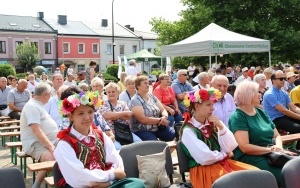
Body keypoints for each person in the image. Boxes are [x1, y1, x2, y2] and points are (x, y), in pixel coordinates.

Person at [54, 87, 145, 188]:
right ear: (71, 117)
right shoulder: (64, 144)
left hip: (107, 183)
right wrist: (112, 175)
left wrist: (108, 183)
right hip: (82, 186)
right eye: (80, 113)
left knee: (137, 183)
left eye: (90, 112)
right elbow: (78, 177)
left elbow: (116, 162)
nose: (87, 117)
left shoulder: (100, 135)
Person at [180, 88, 258, 188]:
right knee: (232, 184)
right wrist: (224, 154)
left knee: (255, 174)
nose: (212, 109)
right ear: (196, 106)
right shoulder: (188, 130)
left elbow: (230, 146)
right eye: (208, 105)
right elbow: (204, 158)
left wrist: (221, 127)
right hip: (203, 170)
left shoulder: (214, 122)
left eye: (213, 105)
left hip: (221, 163)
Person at [229, 81, 294, 186]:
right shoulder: (237, 117)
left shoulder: (261, 112)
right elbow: (245, 147)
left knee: (295, 167)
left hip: (272, 152)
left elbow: (277, 136)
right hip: (252, 157)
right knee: (287, 176)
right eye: (257, 92)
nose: (260, 94)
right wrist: (271, 150)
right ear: (248, 95)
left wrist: (279, 147)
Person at [20, 83, 57, 188]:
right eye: (50, 95)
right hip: (34, 143)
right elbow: (36, 130)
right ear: (45, 95)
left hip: (48, 141)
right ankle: (36, 185)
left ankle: (65, 181)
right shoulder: (32, 106)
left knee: (68, 150)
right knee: (51, 157)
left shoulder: (38, 104)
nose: (50, 97)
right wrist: (51, 147)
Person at [130, 75, 175, 141]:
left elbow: (163, 110)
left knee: (175, 134)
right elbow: (143, 119)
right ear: (138, 86)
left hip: (158, 127)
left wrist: (164, 117)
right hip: (142, 130)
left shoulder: (151, 96)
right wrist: (160, 120)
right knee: (154, 145)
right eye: (145, 83)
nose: (148, 85)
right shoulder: (135, 100)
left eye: (148, 83)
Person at [99, 83, 141, 150]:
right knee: (118, 149)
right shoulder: (103, 104)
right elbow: (108, 116)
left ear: (118, 93)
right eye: (109, 92)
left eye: (113, 91)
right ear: (106, 93)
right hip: (112, 133)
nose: (111, 94)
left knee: (139, 143)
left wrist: (114, 115)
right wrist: (123, 113)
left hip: (125, 131)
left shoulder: (122, 103)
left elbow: (129, 115)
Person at [263, 70, 300, 141]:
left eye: (284, 78)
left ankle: (291, 143)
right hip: (274, 120)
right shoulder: (270, 94)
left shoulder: (284, 93)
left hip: (284, 117)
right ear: (273, 80)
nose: (283, 81)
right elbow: (283, 111)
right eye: (281, 79)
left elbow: (294, 108)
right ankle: (291, 144)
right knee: (298, 128)